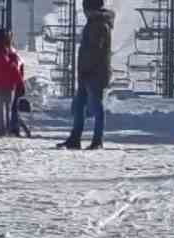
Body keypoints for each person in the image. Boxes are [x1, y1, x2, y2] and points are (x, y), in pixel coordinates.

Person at [58, 0, 113, 149]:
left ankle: (97, 140)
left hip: (95, 72)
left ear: (91, 8)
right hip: (86, 72)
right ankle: (75, 138)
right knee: (79, 105)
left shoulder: (99, 25)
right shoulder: (93, 23)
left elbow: (95, 50)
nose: (84, 12)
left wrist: (88, 68)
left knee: (96, 106)